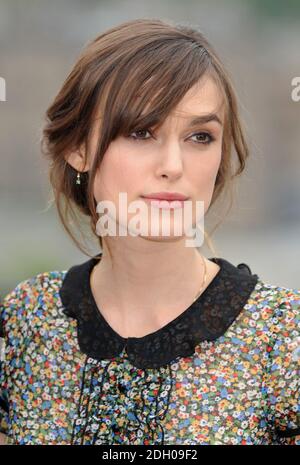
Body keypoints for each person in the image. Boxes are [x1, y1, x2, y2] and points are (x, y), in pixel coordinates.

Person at [0, 18, 299, 446]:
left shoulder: (281, 336)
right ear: (78, 148)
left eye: (200, 136)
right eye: (141, 132)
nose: (174, 166)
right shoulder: (27, 320)